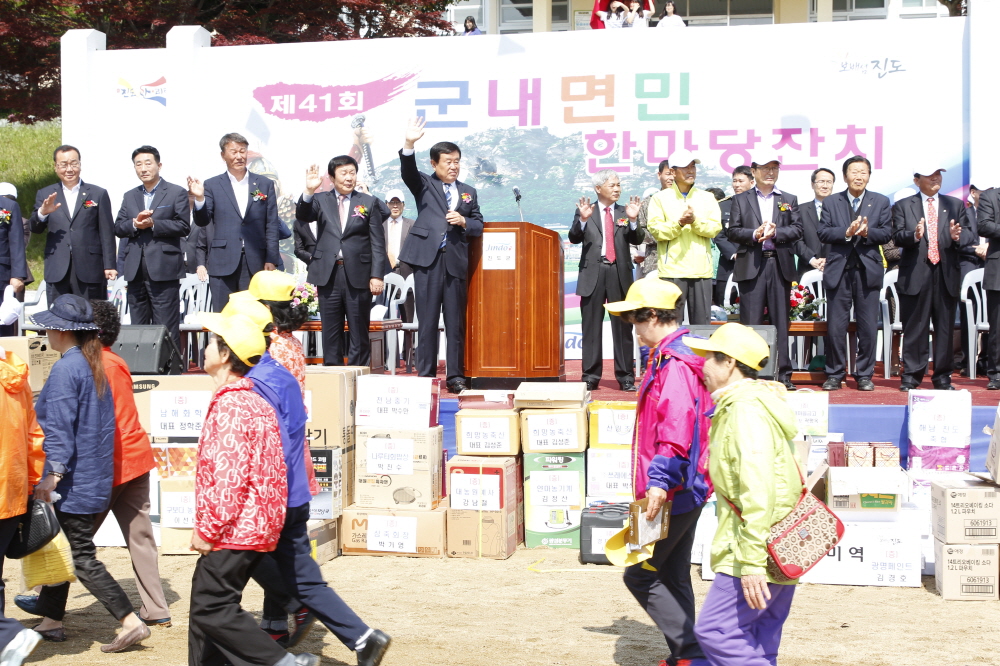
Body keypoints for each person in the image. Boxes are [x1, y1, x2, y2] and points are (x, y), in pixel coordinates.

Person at [18, 295, 151, 652]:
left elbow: (59, 430)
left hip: (73, 482)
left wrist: (53, 475)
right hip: (94, 476)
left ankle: (129, 620)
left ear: (62, 331)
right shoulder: (93, 363)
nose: (45, 331)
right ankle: (52, 620)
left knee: (80, 556)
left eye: (49, 325)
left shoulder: (66, 369)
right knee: (61, 546)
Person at [189, 311, 319, 666]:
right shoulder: (252, 400)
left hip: (234, 528)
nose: (204, 349)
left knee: (210, 608)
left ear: (226, 355)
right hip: (255, 525)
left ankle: (284, 663)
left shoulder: (231, 405)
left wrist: (207, 529)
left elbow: (228, 478)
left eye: (211, 343)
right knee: (208, 611)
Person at [605, 279, 712, 666]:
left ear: (653, 316)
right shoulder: (674, 355)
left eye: (635, 318)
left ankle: (693, 654)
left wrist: (659, 482)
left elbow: (677, 427)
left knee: (639, 573)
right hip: (684, 485)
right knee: (672, 572)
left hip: (673, 488)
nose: (632, 327)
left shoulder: (675, 362)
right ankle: (685, 656)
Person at [683, 323, 801, 666]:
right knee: (761, 633)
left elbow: (757, 486)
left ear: (729, 363)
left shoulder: (743, 412)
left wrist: (751, 563)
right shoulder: (755, 404)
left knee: (717, 632)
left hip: (753, 544)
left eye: (708, 357)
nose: (701, 365)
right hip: (778, 540)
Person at [397, 117, 485, 393]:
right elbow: (408, 171)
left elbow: (479, 224)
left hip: (455, 261)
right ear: (434, 164)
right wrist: (409, 143)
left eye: (457, 160)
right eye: (448, 161)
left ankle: (455, 376)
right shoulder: (424, 184)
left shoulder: (468, 192)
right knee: (427, 320)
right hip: (427, 261)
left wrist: (464, 222)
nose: (454, 166)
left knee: (455, 323)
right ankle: (426, 375)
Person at [295, 155, 385, 367]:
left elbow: (378, 243)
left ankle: (358, 374)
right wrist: (308, 191)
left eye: (352, 173)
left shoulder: (368, 202)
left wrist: (376, 275)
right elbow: (303, 215)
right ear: (332, 177)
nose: (349, 178)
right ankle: (333, 376)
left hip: (359, 274)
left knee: (359, 331)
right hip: (329, 274)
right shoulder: (320, 199)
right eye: (343, 173)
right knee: (331, 331)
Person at [891, 165, 972, 391]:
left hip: (946, 274)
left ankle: (943, 377)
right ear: (917, 180)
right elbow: (896, 236)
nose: (936, 178)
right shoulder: (903, 206)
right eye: (929, 175)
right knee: (915, 327)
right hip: (916, 273)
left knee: (944, 328)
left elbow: (969, 236)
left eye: (938, 174)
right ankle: (912, 377)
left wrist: (957, 236)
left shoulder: (955, 204)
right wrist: (914, 235)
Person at [727, 156, 803, 390]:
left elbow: (798, 229)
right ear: (754, 171)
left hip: (779, 265)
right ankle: (750, 374)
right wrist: (754, 234)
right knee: (751, 322)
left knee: (781, 321)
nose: (770, 172)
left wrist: (776, 232)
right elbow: (733, 231)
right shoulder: (741, 199)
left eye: (774, 168)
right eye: (765, 168)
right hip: (752, 264)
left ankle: (783, 374)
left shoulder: (788, 199)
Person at [817, 156, 891, 392]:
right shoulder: (832, 202)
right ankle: (835, 373)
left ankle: (864, 374)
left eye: (863, 172)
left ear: (869, 176)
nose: (859, 176)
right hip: (839, 271)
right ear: (845, 175)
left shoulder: (880, 201)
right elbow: (823, 233)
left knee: (868, 326)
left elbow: (887, 233)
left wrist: (868, 232)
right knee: (836, 327)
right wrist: (846, 233)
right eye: (854, 172)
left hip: (868, 271)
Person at [189, 132, 281, 312]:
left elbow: (271, 223)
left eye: (242, 151)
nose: (239, 156)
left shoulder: (263, 184)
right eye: (233, 152)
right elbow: (202, 220)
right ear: (223, 155)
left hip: (256, 261)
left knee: (254, 316)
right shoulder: (212, 184)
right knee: (224, 316)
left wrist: (271, 258)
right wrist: (199, 198)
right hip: (222, 260)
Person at [569, 169, 642, 391]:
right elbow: (574, 238)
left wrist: (632, 220)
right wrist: (582, 220)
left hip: (619, 273)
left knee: (623, 328)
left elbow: (637, 238)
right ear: (598, 188)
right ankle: (590, 376)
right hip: (593, 273)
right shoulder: (586, 211)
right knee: (591, 327)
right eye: (612, 185)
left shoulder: (624, 211)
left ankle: (626, 377)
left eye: (619, 185)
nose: (618, 189)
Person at [114, 145, 191, 351]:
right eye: (138, 164)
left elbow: (183, 226)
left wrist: (154, 224)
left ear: (159, 165)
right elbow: (119, 227)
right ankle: (141, 369)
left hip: (164, 269)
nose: (143, 168)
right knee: (138, 324)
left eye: (148, 163)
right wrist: (134, 224)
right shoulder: (130, 195)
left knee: (165, 324)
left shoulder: (176, 192)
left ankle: (170, 372)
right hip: (135, 269)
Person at [0, 342, 46, 666]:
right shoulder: (15, 373)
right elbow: (34, 435)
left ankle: (8, 634)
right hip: (12, 488)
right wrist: (31, 483)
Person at [29, 145, 117, 304]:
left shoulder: (97, 193)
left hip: (89, 267)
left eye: (73, 163)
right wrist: (43, 212)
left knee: (91, 319)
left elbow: (107, 232)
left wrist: (110, 265)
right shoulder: (45, 194)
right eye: (63, 165)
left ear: (80, 165)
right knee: (59, 320)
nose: (69, 169)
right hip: (57, 267)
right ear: (55, 167)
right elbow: (35, 228)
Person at [647, 149, 723, 326]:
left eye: (693, 166)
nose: (691, 171)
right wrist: (679, 224)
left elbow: (714, 228)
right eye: (685, 167)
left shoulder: (707, 197)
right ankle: (670, 356)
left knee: (701, 327)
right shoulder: (659, 199)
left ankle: (700, 356)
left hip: (701, 271)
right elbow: (657, 231)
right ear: (672, 172)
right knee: (670, 325)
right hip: (672, 271)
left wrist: (694, 222)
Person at [969, 183, 1000, 389]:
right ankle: (996, 373)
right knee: (997, 327)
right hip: (999, 271)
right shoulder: (990, 197)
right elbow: (985, 226)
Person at [957, 183, 988, 376]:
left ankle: (988, 360)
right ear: (974, 193)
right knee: (970, 313)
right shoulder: (964, 213)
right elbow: (956, 241)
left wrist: (989, 247)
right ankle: (968, 361)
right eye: (983, 192)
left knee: (992, 314)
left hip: (991, 264)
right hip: (969, 263)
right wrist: (977, 249)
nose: (987, 196)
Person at [714, 167, 754, 308]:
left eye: (741, 181)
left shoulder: (759, 204)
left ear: (751, 182)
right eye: (734, 181)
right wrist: (733, 254)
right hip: (729, 265)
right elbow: (718, 235)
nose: (736, 185)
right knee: (723, 308)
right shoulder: (723, 206)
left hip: (753, 262)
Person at [637, 161, 676, 279]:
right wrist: (665, 234)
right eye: (668, 173)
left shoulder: (686, 201)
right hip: (655, 262)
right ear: (659, 175)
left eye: (674, 173)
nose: (671, 177)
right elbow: (641, 231)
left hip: (681, 262)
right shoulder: (649, 202)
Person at [794, 168, 834, 281]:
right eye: (821, 181)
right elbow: (796, 240)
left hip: (835, 269)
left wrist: (830, 260)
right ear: (812, 184)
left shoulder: (842, 210)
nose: (825, 186)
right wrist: (812, 259)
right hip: (807, 269)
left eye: (829, 182)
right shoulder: (799, 210)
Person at [0, 192, 27, 336]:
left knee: (2, 325)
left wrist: (18, 275)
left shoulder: (8, 206)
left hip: (1, 276)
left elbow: (16, 241)